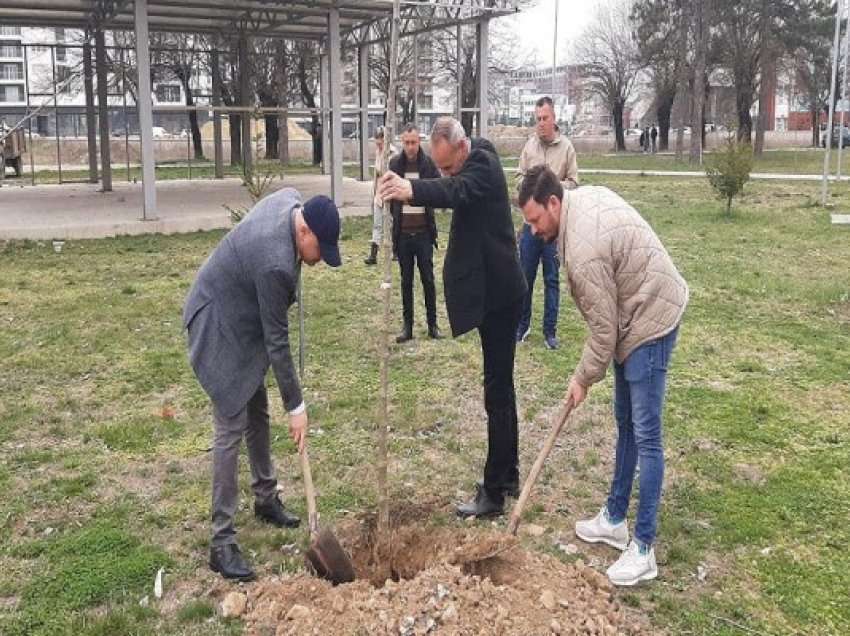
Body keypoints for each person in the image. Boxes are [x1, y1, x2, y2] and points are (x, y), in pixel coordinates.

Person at [517, 165, 688, 586]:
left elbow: (603, 331)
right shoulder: (574, 209)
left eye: (536, 220)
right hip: (632, 310)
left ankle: (644, 548)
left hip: (650, 318)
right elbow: (609, 326)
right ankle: (614, 519)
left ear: (553, 203)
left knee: (646, 435)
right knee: (625, 422)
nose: (534, 231)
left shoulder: (584, 250)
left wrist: (581, 378)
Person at [183, 189, 342, 582]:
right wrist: (298, 407)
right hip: (218, 323)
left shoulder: (291, 202)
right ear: (304, 230)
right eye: (320, 249)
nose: (320, 260)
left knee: (257, 409)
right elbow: (277, 342)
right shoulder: (274, 264)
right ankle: (221, 542)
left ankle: (265, 498)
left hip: (243, 313)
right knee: (230, 428)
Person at [378, 117, 527, 518]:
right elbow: (451, 184)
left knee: (496, 393)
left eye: (446, 165)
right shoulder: (474, 154)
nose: (443, 172)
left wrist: (411, 189)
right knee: (502, 388)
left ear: (461, 148)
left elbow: (454, 190)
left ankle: (494, 492)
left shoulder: (483, 166)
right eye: (438, 165)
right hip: (498, 292)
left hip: (499, 297)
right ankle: (509, 473)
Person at [515, 96, 579, 350]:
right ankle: (522, 326)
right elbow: (518, 178)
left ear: (554, 118)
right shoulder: (529, 148)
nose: (541, 123)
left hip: (555, 229)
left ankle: (550, 331)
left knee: (552, 279)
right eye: (537, 119)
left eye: (545, 118)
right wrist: (530, 189)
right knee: (525, 277)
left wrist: (553, 188)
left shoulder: (567, 148)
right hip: (531, 228)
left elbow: (574, 182)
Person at [390, 123, 443, 342]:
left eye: (414, 142)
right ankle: (407, 327)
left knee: (428, 280)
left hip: (423, 234)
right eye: (407, 142)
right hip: (403, 234)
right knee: (406, 281)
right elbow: (389, 195)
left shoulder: (428, 165)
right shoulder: (395, 165)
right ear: (402, 142)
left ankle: (433, 325)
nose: (410, 147)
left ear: (419, 141)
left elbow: (437, 191)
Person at [364, 127, 392, 265]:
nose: (378, 145)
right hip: (379, 192)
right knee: (377, 224)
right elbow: (376, 174)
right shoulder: (377, 152)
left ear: (385, 140)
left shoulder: (393, 153)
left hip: (391, 192)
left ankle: (396, 251)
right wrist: (374, 193)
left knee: (391, 223)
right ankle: (373, 255)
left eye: (380, 143)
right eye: (376, 143)